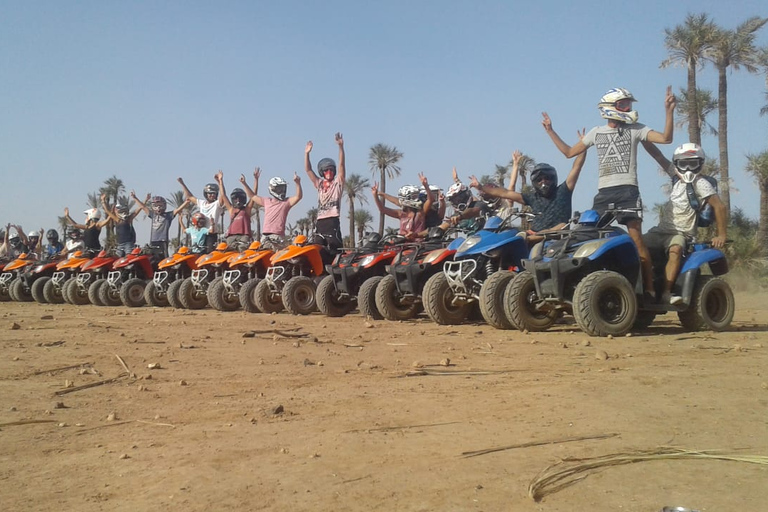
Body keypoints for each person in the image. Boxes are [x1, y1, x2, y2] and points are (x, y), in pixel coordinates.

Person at [541, 86, 676, 300]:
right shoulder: (596, 132)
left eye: (629, 104)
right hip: (604, 193)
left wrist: (669, 111)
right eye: (623, 104)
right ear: (609, 107)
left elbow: (666, 139)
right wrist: (550, 131)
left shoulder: (637, 129)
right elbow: (569, 153)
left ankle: (650, 290)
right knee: (588, 235)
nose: (628, 108)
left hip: (628, 190)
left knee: (637, 239)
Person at [642, 142, 727, 305]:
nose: (688, 168)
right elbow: (658, 156)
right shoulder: (675, 176)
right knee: (634, 245)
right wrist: (643, 137)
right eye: (683, 163)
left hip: (681, 233)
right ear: (677, 164)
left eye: (692, 163)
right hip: (660, 231)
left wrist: (721, 234)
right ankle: (646, 289)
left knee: (675, 249)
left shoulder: (702, 183)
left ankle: (667, 293)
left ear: (700, 164)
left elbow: (720, 206)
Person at [468, 139, 587, 244]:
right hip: (533, 237)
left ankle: (530, 238)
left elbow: (576, 167)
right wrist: (481, 187)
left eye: (547, 178)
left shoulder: (563, 191)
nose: (543, 182)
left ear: (553, 179)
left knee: (561, 226)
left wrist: (583, 146)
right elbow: (505, 193)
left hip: (556, 238)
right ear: (535, 182)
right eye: (539, 179)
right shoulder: (532, 197)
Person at [304, 133, 346, 250]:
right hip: (320, 221)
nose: (329, 172)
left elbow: (342, 164)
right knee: (317, 248)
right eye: (326, 170)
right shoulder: (320, 184)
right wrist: (307, 153)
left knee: (335, 248)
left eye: (332, 170)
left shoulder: (338, 183)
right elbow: (308, 170)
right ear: (322, 172)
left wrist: (340, 147)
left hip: (332, 220)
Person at [250, 167, 302, 248]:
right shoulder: (267, 200)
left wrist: (297, 183)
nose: (282, 191)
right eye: (279, 189)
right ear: (273, 189)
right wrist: (254, 180)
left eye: (283, 188)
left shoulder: (286, 202)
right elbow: (252, 196)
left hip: (278, 237)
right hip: (265, 237)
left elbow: (298, 196)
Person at [177, 172, 226, 249]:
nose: (211, 195)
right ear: (206, 194)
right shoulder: (202, 203)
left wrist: (220, 181)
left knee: (209, 256)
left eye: (213, 193)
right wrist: (182, 184)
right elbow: (189, 196)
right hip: (199, 233)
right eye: (209, 193)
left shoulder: (217, 204)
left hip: (211, 234)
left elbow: (223, 196)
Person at [375, 173, 439, 229]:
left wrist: (426, 185)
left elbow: (431, 200)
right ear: (406, 198)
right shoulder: (400, 214)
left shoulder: (421, 213)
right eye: (414, 196)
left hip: (418, 242)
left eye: (416, 196)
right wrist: (376, 195)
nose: (417, 199)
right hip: (402, 242)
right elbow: (382, 209)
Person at [131, 192, 187, 257]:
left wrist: (186, 202)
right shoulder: (153, 215)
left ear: (164, 206)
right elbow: (143, 207)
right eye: (156, 206)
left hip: (163, 241)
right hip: (153, 240)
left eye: (160, 205)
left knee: (164, 257)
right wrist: (135, 198)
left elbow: (178, 210)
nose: (158, 207)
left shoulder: (168, 215)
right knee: (152, 257)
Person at [219, 172, 255, 251]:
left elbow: (253, 196)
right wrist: (220, 181)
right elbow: (223, 195)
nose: (238, 200)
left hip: (244, 236)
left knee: (242, 254)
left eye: (240, 198)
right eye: (235, 198)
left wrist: (254, 180)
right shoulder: (231, 209)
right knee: (229, 255)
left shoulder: (246, 210)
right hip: (231, 237)